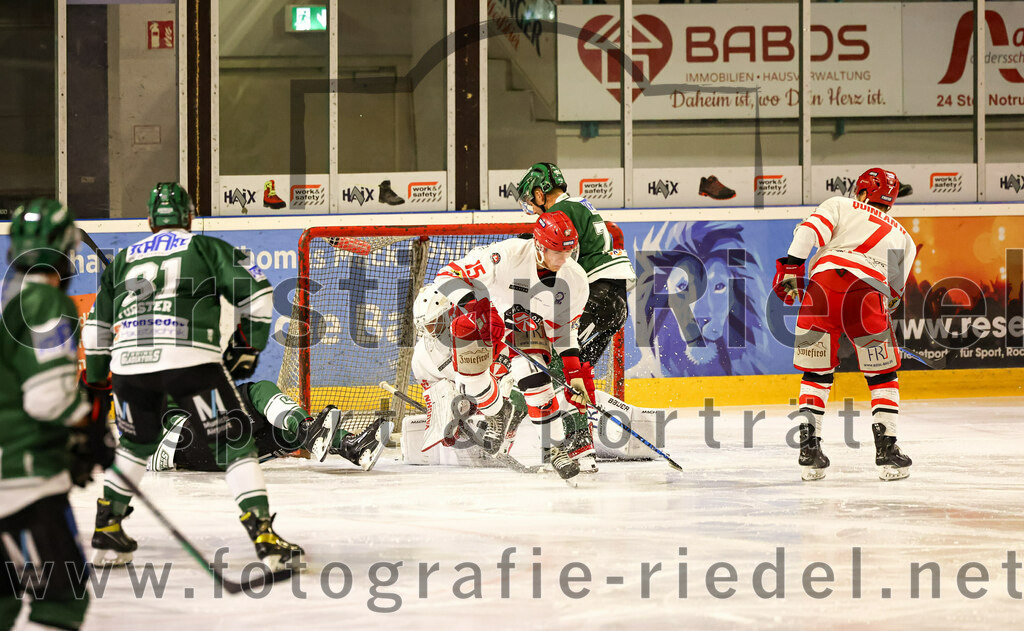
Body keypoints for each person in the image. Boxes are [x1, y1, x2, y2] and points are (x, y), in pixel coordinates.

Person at [82, 182, 322, 570]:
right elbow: (258, 297)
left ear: (148, 221)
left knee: (134, 446)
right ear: (189, 218)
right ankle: (263, 535)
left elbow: (95, 332)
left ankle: (107, 529)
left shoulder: (125, 258)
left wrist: (95, 386)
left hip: (130, 366)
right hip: (189, 362)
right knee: (235, 444)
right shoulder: (206, 248)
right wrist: (245, 350)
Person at [0, 199, 113, 631]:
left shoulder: (10, 302)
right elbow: (47, 401)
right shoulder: (46, 303)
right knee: (63, 598)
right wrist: (88, 425)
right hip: (24, 481)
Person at [416, 212, 596, 481]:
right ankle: (498, 410)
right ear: (539, 245)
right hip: (483, 322)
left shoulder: (575, 279)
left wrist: (573, 371)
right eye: (557, 251)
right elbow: (448, 275)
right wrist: (476, 306)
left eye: (568, 250)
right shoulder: (508, 254)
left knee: (535, 380)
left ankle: (555, 449)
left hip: (524, 328)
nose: (564, 258)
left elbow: (564, 330)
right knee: (472, 388)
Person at [773, 167, 917, 482]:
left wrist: (792, 267)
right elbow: (893, 293)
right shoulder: (903, 237)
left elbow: (808, 232)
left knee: (817, 373)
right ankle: (887, 452)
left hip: (822, 288)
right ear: (890, 203)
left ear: (862, 192)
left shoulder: (840, 204)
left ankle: (809, 453)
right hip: (867, 293)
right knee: (882, 375)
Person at [515, 162, 636, 367]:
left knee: (549, 362)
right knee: (578, 370)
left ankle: (529, 400)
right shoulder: (577, 204)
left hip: (597, 298)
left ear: (539, 194)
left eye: (530, 202)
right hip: (613, 301)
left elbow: (562, 266)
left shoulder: (557, 214)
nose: (533, 209)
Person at [149, 380, 390, 472]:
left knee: (288, 433)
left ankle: (353, 448)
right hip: (189, 440)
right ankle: (308, 428)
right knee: (256, 391)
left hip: (210, 459)